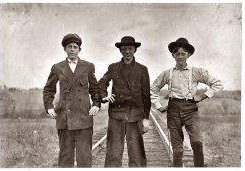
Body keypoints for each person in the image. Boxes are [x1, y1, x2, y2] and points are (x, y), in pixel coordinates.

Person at [150, 37, 223, 167]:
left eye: (183, 54)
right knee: (177, 149)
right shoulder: (167, 74)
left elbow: (217, 84)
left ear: (188, 55)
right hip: (173, 110)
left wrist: (203, 96)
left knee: (197, 143)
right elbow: (152, 89)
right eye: (177, 54)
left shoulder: (197, 72)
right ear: (173, 55)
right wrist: (158, 105)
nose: (180, 56)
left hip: (191, 110)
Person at [43, 33, 100, 167]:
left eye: (75, 47)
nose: (72, 49)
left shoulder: (88, 66)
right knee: (65, 156)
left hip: (84, 117)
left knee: (85, 157)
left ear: (79, 49)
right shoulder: (57, 67)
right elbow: (48, 89)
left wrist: (96, 104)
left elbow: (95, 89)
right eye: (69, 47)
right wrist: (49, 107)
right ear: (65, 49)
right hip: (64, 118)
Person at [98, 36, 151, 167]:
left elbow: (146, 95)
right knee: (113, 153)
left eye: (130, 49)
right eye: (124, 49)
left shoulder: (142, 69)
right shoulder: (114, 67)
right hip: (117, 115)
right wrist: (104, 96)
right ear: (120, 51)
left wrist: (146, 118)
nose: (127, 51)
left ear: (135, 50)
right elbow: (102, 83)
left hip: (135, 115)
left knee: (137, 154)